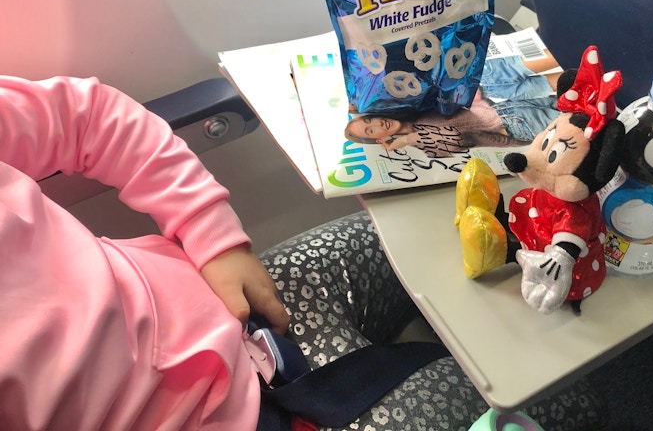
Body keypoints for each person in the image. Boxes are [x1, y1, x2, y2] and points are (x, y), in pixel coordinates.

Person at [0, 75, 607, 430]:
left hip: (232, 298)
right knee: (553, 400)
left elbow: (86, 117)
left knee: (437, 239)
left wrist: (211, 236)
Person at [345, 55, 561, 157]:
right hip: (511, 121)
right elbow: (455, 140)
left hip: (481, 85)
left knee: (553, 55)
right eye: (370, 130)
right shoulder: (417, 141)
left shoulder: (407, 105)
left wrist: (361, 101)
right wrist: (406, 139)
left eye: (368, 120)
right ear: (380, 140)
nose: (375, 123)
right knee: (572, 94)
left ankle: (587, 43)